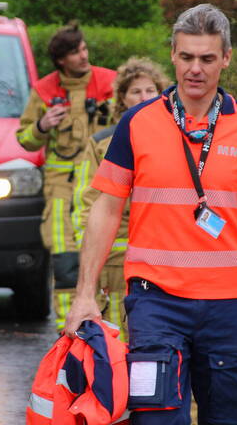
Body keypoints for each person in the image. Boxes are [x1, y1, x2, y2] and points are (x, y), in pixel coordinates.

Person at [64, 4, 237, 425]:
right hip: (156, 302)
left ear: (227, 59)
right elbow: (106, 208)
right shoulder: (138, 123)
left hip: (232, 307)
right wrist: (84, 295)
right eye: (186, 57)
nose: (195, 69)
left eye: (206, 58)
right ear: (173, 56)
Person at [16, 22, 116, 330]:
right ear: (61, 60)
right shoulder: (45, 91)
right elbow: (24, 139)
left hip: (103, 186)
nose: (83, 56)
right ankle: (67, 330)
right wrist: (43, 125)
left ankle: (106, 327)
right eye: (75, 52)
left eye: (84, 49)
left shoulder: (110, 81)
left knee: (107, 256)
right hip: (61, 191)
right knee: (65, 261)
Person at [72, 56, 170, 340]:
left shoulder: (177, 139)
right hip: (115, 264)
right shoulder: (102, 142)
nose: (143, 97)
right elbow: (86, 203)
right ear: (122, 99)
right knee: (117, 341)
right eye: (135, 91)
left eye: (150, 90)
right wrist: (90, 255)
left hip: (162, 261)